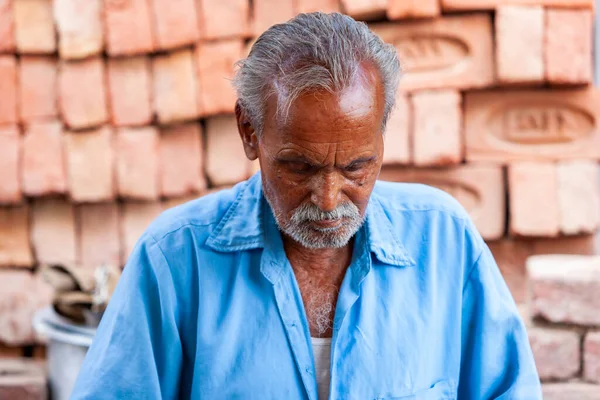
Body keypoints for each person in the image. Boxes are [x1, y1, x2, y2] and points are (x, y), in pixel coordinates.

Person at [71, 12, 541, 399]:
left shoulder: (444, 241)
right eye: (300, 168)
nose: (329, 198)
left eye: (357, 166)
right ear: (249, 131)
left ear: (382, 134)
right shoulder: (175, 258)